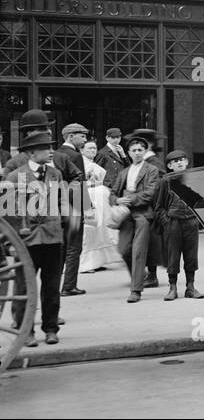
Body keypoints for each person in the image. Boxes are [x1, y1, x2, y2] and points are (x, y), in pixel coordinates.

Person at [1, 128, 66, 345]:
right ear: (30, 153)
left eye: (50, 147)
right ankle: (25, 331)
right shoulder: (14, 176)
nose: (50, 152)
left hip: (52, 237)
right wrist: (12, 242)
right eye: (44, 149)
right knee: (23, 288)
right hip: (26, 240)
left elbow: (60, 202)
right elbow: (8, 214)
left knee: (51, 287)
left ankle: (50, 329)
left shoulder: (55, 174)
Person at [112, 130, 161, 303]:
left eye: (141, 149)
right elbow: (112, 192)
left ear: (145, 151)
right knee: (124, 249)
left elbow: (150, 193)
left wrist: (129, 199)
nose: (137, 152)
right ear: (129, 153)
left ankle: (136, 290)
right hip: (125, 216)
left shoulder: (152, 170)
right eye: (134, 150)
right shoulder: (124, 172)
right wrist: (117, 199)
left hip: (143, 215)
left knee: (138, 251)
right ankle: (141, 276)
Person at [157, 151, 204, 301]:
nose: (179, 163)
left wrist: (198, 221)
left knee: (191, 256)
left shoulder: (194, 179)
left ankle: (190, 287)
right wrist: (166, 222)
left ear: (187, 163)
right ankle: (172, 288)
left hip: (191, 221)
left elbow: (201, 202)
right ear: (170, 166)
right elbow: (159, 206)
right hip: (173, 223)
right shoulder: (166, 181)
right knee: (173, 256)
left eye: (182, 160)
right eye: (175, 161)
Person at [52, 122, 89, 297]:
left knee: (61, 248)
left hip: (58, 208)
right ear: (70, 136)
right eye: (82, 135)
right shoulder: (75, 156)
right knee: (74, 247)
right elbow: (80, 184)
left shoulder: (55, 154)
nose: (85, 139)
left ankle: (54, 284)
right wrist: (86, 208)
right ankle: (69, 286)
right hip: (73, 208)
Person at [78, 143, 117, 274]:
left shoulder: (93, 162)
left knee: (101, 229)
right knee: (91, 229)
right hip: (90, 196)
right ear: (82, 150)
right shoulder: (81, 163)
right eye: (89, 148)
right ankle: (86, 264)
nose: (93, 150)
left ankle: (98, 261)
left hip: (99, 196)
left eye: (94, 148)